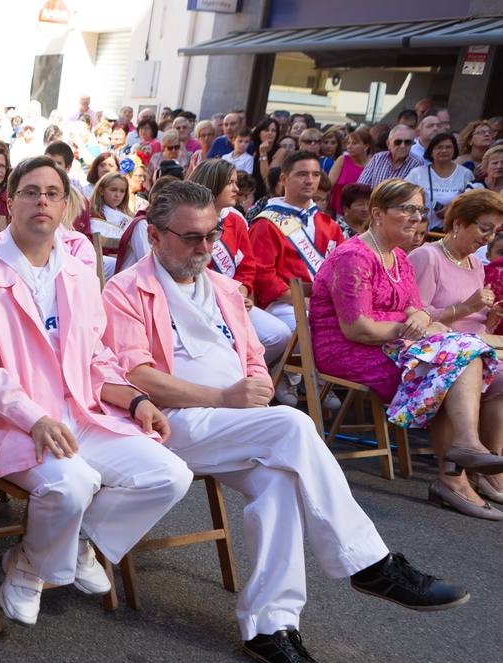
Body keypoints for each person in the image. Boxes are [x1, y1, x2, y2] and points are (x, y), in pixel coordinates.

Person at [101, 179, 470, 663]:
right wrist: (225, 398)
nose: (206, 248)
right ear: (155, 235)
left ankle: (271, 628)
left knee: (278, 482)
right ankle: (372, 563)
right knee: (294, 424)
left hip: (234, 425)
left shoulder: (226, 289)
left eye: (212, 235)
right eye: (191, 238)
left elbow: (252, 355)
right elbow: (136, 375)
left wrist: (250, 388)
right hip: (170, 422)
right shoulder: (125, 290)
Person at [0, 156, 193, 626]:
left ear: (65, 206)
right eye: (30, 191)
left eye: (52, 193)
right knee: (73, 483)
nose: (42, 200)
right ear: (9, 201)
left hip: (79, 410)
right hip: (9, 421)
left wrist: (134, 398)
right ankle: (32, 568)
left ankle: (64, 546)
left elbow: (96, 355)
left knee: (170, 475)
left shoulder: (78, 273)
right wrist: (34, 418)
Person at [311, 179, 503, 518]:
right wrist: (410, 329)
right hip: (347, 350)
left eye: (419, 210)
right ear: (377, 213)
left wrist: (423, 326)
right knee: (450, 363)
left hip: (390, 344)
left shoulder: (398, 256)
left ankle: (462, 457)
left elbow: (417, 310)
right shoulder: (354, 256)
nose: (416, 218)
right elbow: (357, 328)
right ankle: (454, 474)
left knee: (462, 353)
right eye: (406, 209)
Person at [409, 188, 503, 511]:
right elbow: (415, 318)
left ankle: (489, 466)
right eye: (484, 228)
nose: (488, 238)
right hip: (433, 350)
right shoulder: (427, 256)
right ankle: (462, 468)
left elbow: (474, 326)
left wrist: (489, 319)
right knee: (466, 363)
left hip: (472, 346)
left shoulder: (476, 266)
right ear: (459, 223)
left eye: (495, 232)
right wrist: (467, 308)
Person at [188, 159, 291, 367]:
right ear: (213, 183)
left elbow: (247, 266)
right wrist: (227, 295)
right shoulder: (189, 217)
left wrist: (242, 292)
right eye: (230, 183)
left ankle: (243, 373)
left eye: (236, 182)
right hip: (197, 299)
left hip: (234, 297)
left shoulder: (235, 220)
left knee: (279, 335)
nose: (236, 189)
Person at [248, 151, 343, 336]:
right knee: (325, 331)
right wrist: (303, 302)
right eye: (302, 174)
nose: (310, 180)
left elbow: (343, 268)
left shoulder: (328, 224)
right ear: (284, 179)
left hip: (322, 302)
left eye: (315, 174)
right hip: (282, 304)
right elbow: (263, 277)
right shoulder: (266, 224)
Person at [406, 132, 477, 232]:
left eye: (448, 147)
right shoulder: (417, 173)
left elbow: (472, 204)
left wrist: (452, 210)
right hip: (420, 232)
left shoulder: (466, 174)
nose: (444, 150)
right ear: (431, 151)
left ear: (454, 150)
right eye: (439, 147)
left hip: (452, 233)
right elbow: (405, 199)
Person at [89, 172, 133, 283]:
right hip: (103, 260)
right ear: (101, 190)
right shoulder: (94, 214)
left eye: (122, 191)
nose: (118, 195)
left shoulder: (128, 216)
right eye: (113, 190)